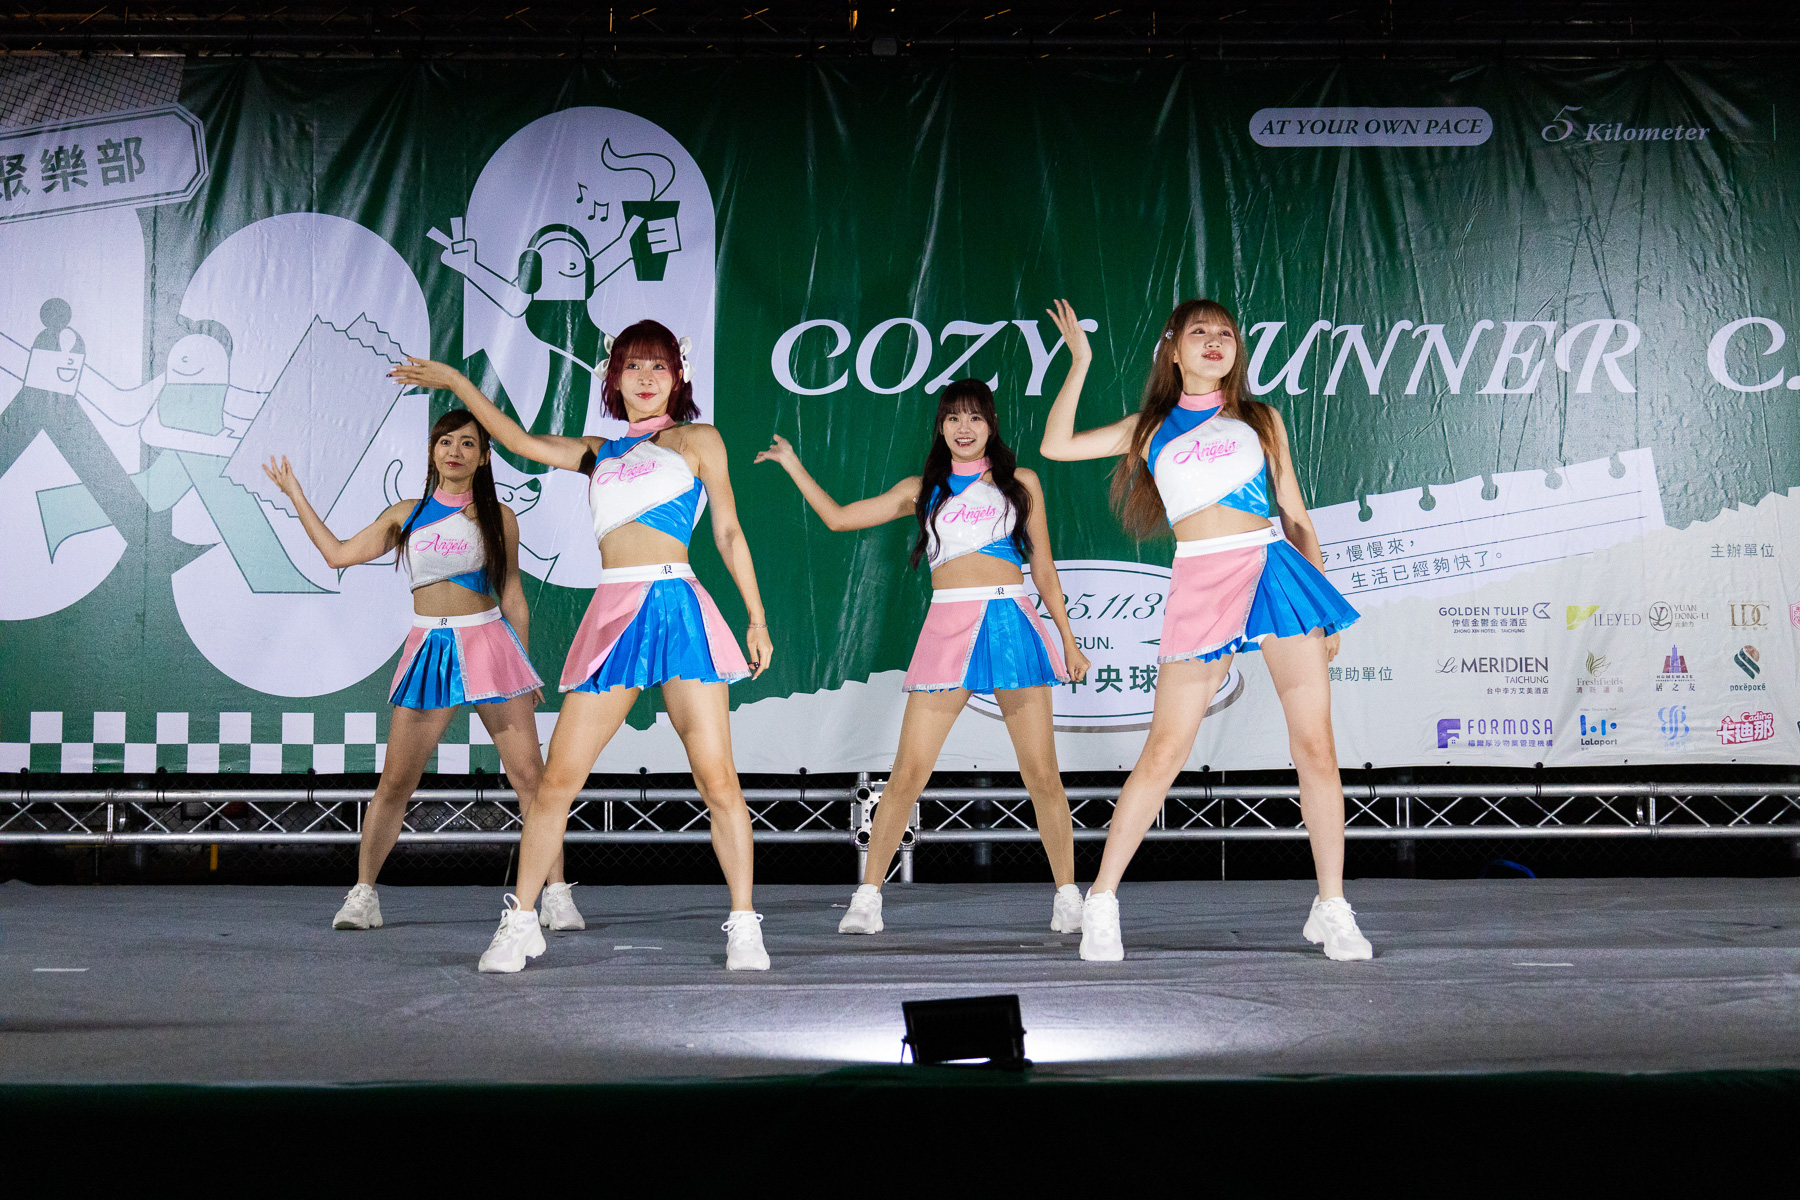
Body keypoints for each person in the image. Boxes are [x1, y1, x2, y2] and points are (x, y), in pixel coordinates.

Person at [391, 319, 774, 973]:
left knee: (717, 778)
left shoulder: (698, 440)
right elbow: (516, 441)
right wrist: (455, 380)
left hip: (678, 606)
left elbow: (730, 533)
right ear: (613, 378)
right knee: (557, 782)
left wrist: (756, 619)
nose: (646, 378)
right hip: (614, 610)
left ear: (678, 377)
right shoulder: (598, 452)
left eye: (658, 366)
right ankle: (521, 922)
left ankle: (744, 925)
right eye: (633, 366)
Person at [1039, 299, 1372, 962]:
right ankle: (1102, 899)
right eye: (1200, 332)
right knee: (1165, 750)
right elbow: (1056, 446)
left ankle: (1332, 906)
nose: (1215, 342)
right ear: (1173, 348)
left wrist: (1321, 603)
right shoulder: (1150, 427)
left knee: (1316, 748)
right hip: (1201, 577)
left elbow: (1295, 512)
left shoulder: (1260, 418)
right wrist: (1079, 362)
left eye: (1225, 333)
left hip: (1275, 570)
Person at [758, 380, 1090, 935]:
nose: (964, 428)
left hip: (1011, 623)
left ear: (991, 424)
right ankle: (867, 897)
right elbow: (839, 518)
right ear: (940, 426)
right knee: (908, 772)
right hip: (947, 625)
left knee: (1041, 773)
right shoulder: (921, 489)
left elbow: (1045, 570)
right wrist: (792, 464)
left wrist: (1069, 640)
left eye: (975, 417)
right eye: (953, 418)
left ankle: (1068, 896)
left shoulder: (1021, 483)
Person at [260, 410, 578, 932]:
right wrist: (295, 493)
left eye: (468, 443)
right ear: (432, 451)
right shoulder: (406, 514)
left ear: (484, 456)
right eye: (446, 441)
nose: (455, 451)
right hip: (430, 647)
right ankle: (364, 895)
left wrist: (523, 667)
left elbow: (513, 594)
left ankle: (557, 893)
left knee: (532, 781)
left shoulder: (499, 516)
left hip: (490, 644)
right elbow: (336, 554)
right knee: (395, 783)